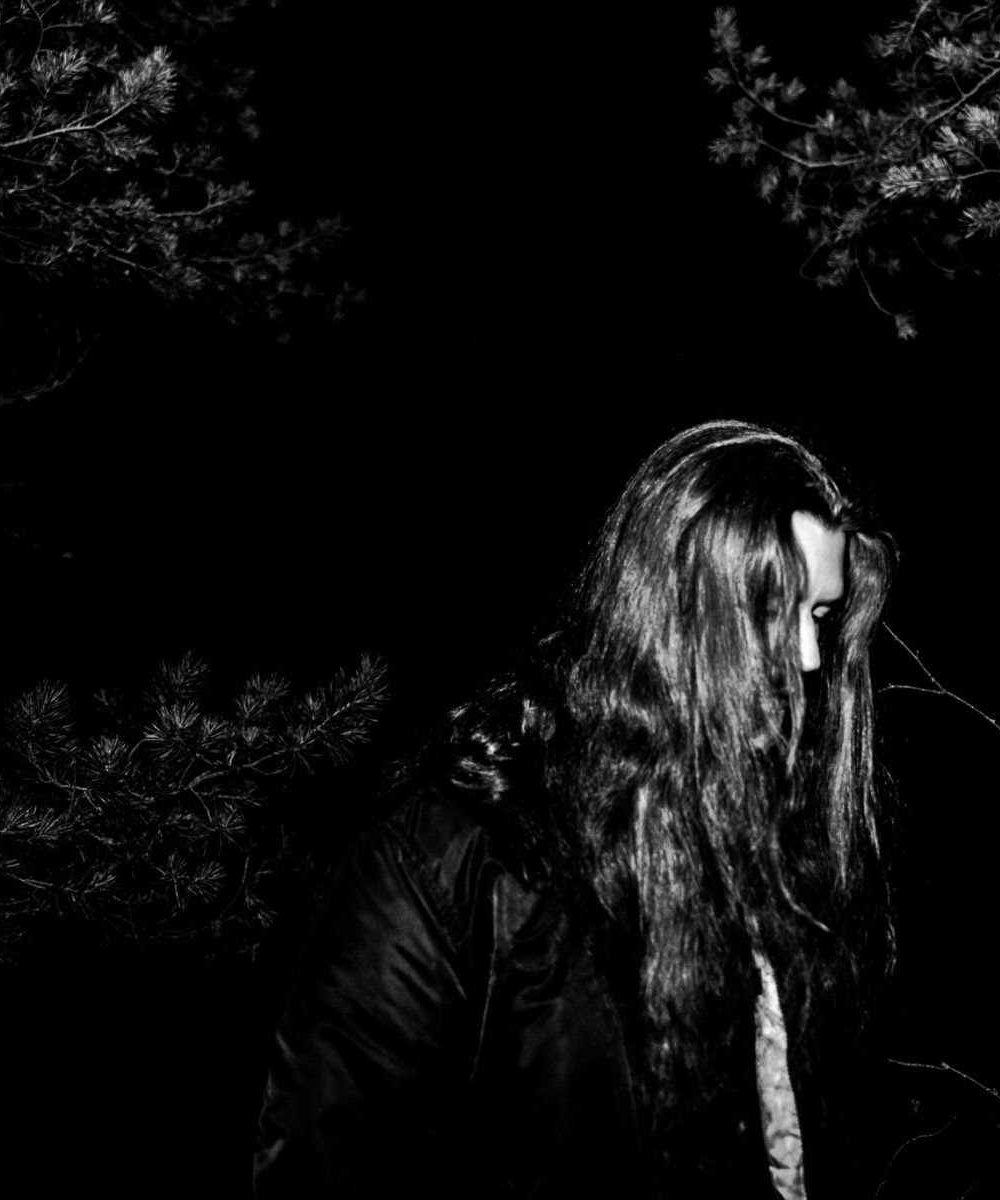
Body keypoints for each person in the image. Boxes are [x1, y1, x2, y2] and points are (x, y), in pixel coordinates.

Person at [252, 421, 899, 1197]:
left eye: (819, 616)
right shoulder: (446, 864)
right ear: (672, 614)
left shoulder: (771, 858)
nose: (808, 658)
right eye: (771, 610)